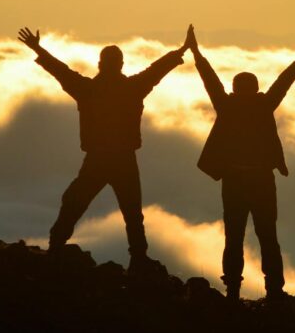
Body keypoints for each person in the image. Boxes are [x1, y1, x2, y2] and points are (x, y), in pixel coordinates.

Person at [17, 25, 189, 269]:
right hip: (123, 159)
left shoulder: (88, 89)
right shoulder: (131, 88)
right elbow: (156, 70)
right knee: (130, 212)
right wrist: (181, 50)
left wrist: (37, 48)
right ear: (120, 65)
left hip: (99, 159)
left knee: (76, 202)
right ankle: (138, 257)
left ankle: (56, 246)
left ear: (101, 64)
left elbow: (60, 71)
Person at [188, 29, 295, 300]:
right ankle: (274, 289)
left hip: (235, 180)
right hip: (260, 181)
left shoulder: (227, 104)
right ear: (255, 88)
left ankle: (233, 288)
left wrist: (197, 54)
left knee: (235, 236)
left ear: (235, 88)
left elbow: (210, 81)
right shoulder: (263, 104)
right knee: (267, 235)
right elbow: (284, 82)